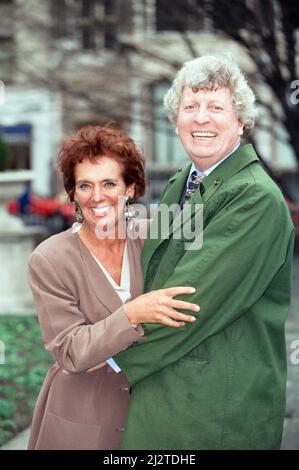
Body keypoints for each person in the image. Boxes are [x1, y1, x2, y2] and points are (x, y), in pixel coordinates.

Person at [113, 55, 295, 450]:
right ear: (175, 119)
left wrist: (108, 362)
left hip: (216, 408)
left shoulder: (253, 197)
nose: (201, 118)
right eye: (190, 106)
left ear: (241, 122)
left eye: (216, 107)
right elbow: (151, 265)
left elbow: (185, 302)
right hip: (168, 391)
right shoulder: (184, 181)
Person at [27, 125, 199, 450]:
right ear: (73, 193)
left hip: (153, 413)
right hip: (81, 419)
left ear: (131, 188)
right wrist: (133, 314)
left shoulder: (153, 236)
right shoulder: (49, 259)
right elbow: (71, 352)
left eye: (109, 183)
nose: (97, 197)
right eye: (85, 185)